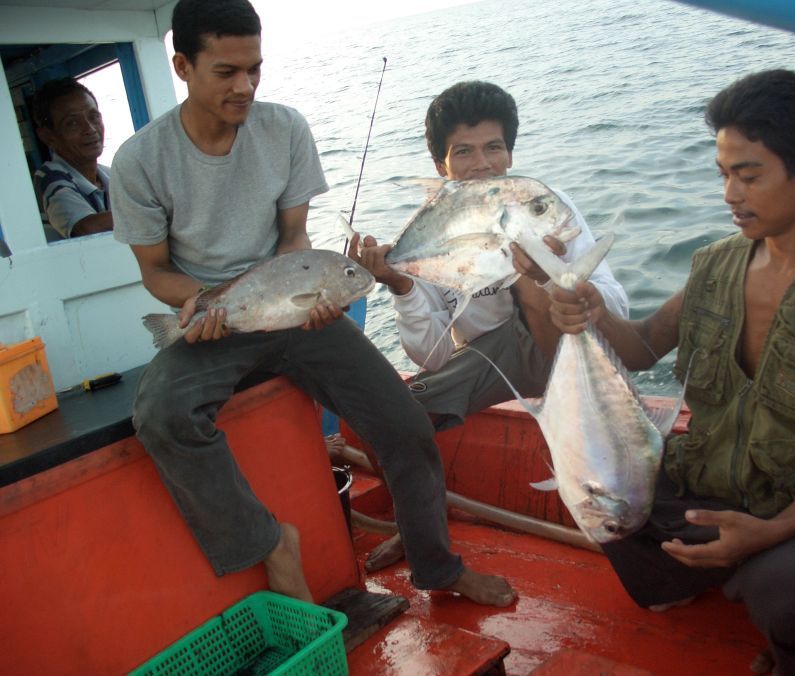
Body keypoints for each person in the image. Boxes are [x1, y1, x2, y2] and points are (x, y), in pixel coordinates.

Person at [110, 0, 515, 608]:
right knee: (162, 416)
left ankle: (437, 567)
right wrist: (200, 304)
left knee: (406, 427)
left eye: (255, 69)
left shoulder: (285, 129)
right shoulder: (140, 161)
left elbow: (294, 239)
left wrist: (315, 300)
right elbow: (155, 270)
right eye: (226, 72)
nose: (245, 86)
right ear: (183, 66)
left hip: (294, 311)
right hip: (214, 320)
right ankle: (271, 544)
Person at [548, 69, 795, 675]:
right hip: (708, 481)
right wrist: (594, 312)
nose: (730, 195)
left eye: (749, 175)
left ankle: (791, 645)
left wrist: (769, 533)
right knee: (603, 498)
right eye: (723, 175)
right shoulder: (714, 264)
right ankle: (694, 575)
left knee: (792, 593)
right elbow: (639, 351)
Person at [348, 80, 629, 571]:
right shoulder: (431, 227)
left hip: (565, 351)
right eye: (464, 152)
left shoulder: (543, 204)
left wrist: (553, 280)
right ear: (442, 167)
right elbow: (432, 357)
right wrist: (401, 284)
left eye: (493, 148)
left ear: (511, 153)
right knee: (392, 419)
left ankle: (617, 505)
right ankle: (417, 523)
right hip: (488, 361)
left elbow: (617, 311)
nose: (482, 164)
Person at [33, 77, 113, 239]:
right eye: (72, 123)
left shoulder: (112, 175)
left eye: (94, 117)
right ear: (49, 137)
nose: (90, 129)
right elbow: (86, 228)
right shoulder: (50, 177)